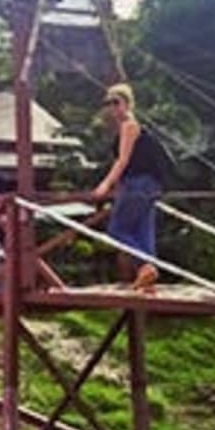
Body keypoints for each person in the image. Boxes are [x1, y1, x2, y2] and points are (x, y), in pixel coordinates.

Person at [90, 82, 160, 292]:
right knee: (142, 230)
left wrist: (105, 185)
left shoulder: (129, 126)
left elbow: (122, 160)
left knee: (117, 229)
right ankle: (148, 274)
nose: (112, 107)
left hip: (136, 183)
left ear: (127, 103)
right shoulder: (132, 126)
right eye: (108, 103)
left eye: (116, 102)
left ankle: (145, 267)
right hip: (150, 184)